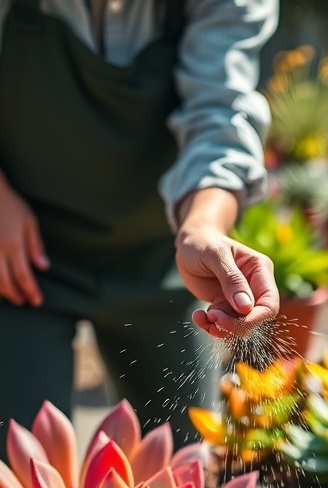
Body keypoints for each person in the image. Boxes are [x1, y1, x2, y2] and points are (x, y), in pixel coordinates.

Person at [0, 0, 280, 456]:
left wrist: (203, 225)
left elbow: (221, 111)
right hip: (17, 260)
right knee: (18, 472)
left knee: (177, 464)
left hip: (162, 259)